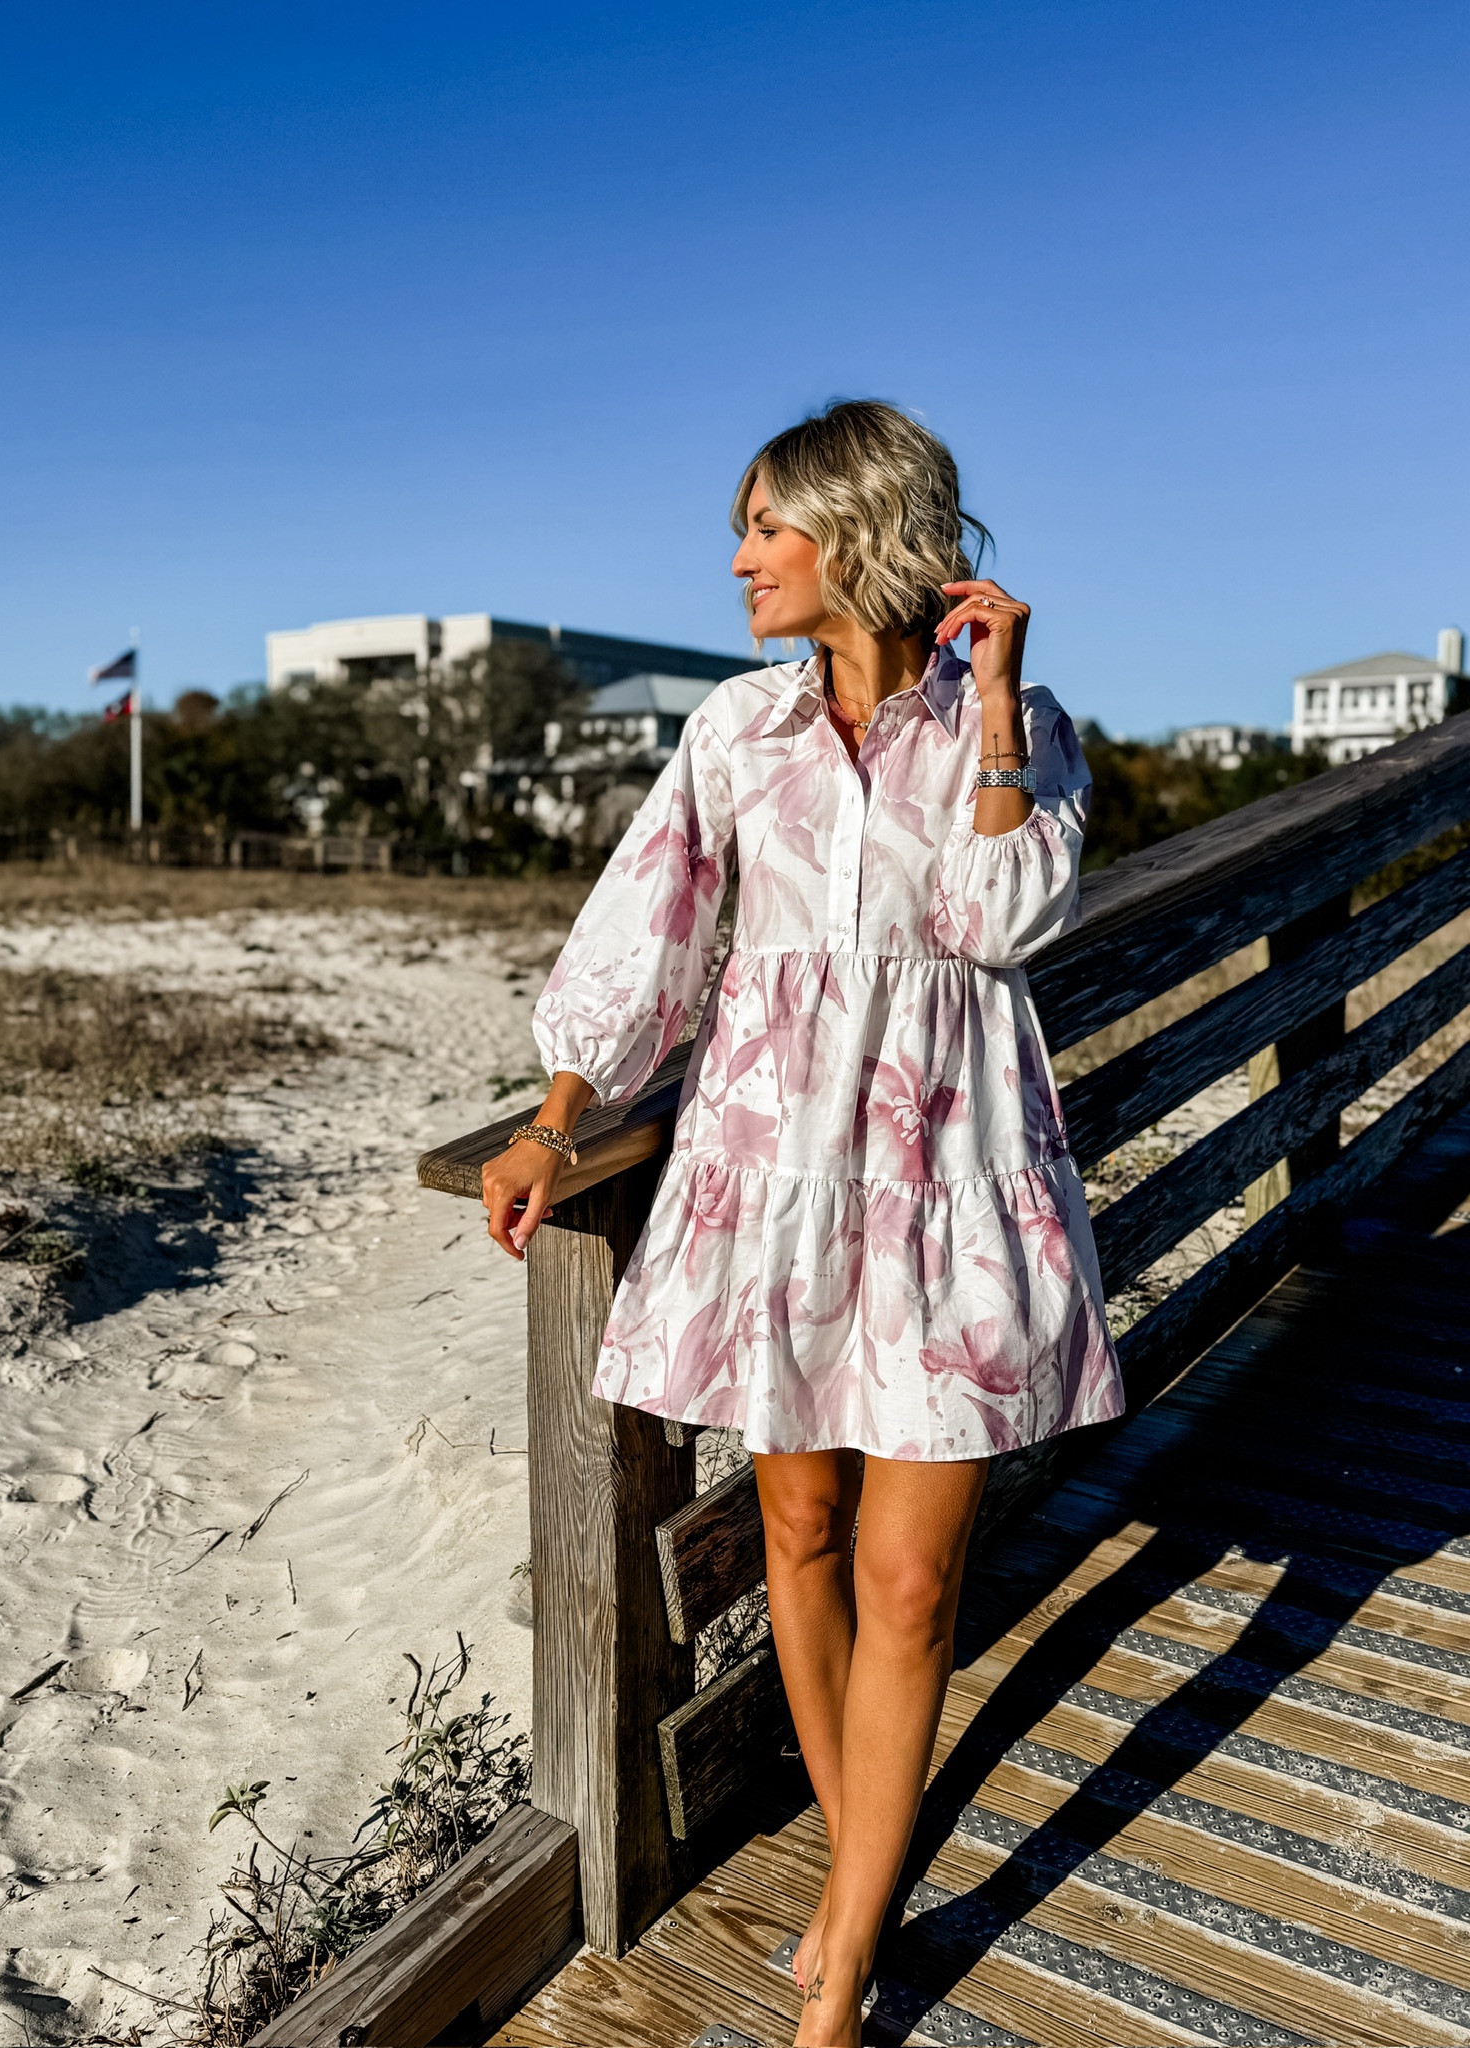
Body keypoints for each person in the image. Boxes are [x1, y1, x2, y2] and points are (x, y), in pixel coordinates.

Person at [481, 399, 1124, 2047]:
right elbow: (649, 929)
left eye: (767, 527)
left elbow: (1003, 918)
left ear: (858, 529)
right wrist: (558, 1119)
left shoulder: (1024, 723)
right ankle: (862, 1879)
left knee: (911, 1582)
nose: (740, 560)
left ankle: (839, 1978)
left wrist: (991, 703)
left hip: (948, 1175)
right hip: (773, 1179)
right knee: (802, 1536)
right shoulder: (736, 732)